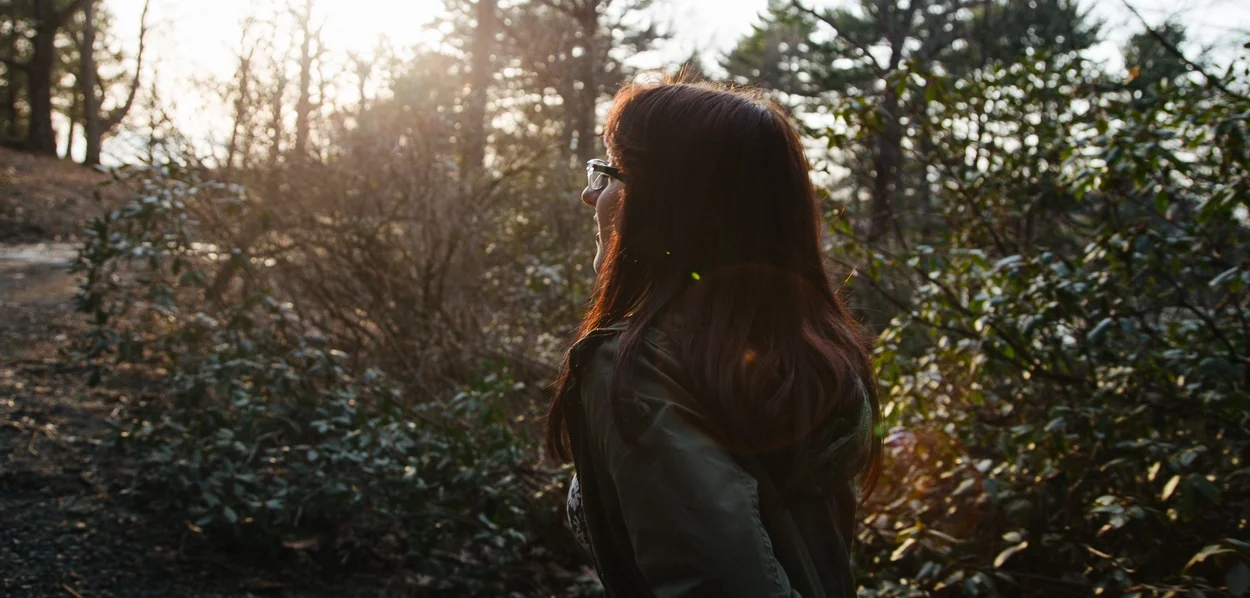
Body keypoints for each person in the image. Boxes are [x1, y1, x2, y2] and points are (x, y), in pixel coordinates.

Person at [545, 80, 882, 598]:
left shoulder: (639, 368)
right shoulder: (803, 353)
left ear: (671, 207)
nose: (591, 193)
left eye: (612, 172)